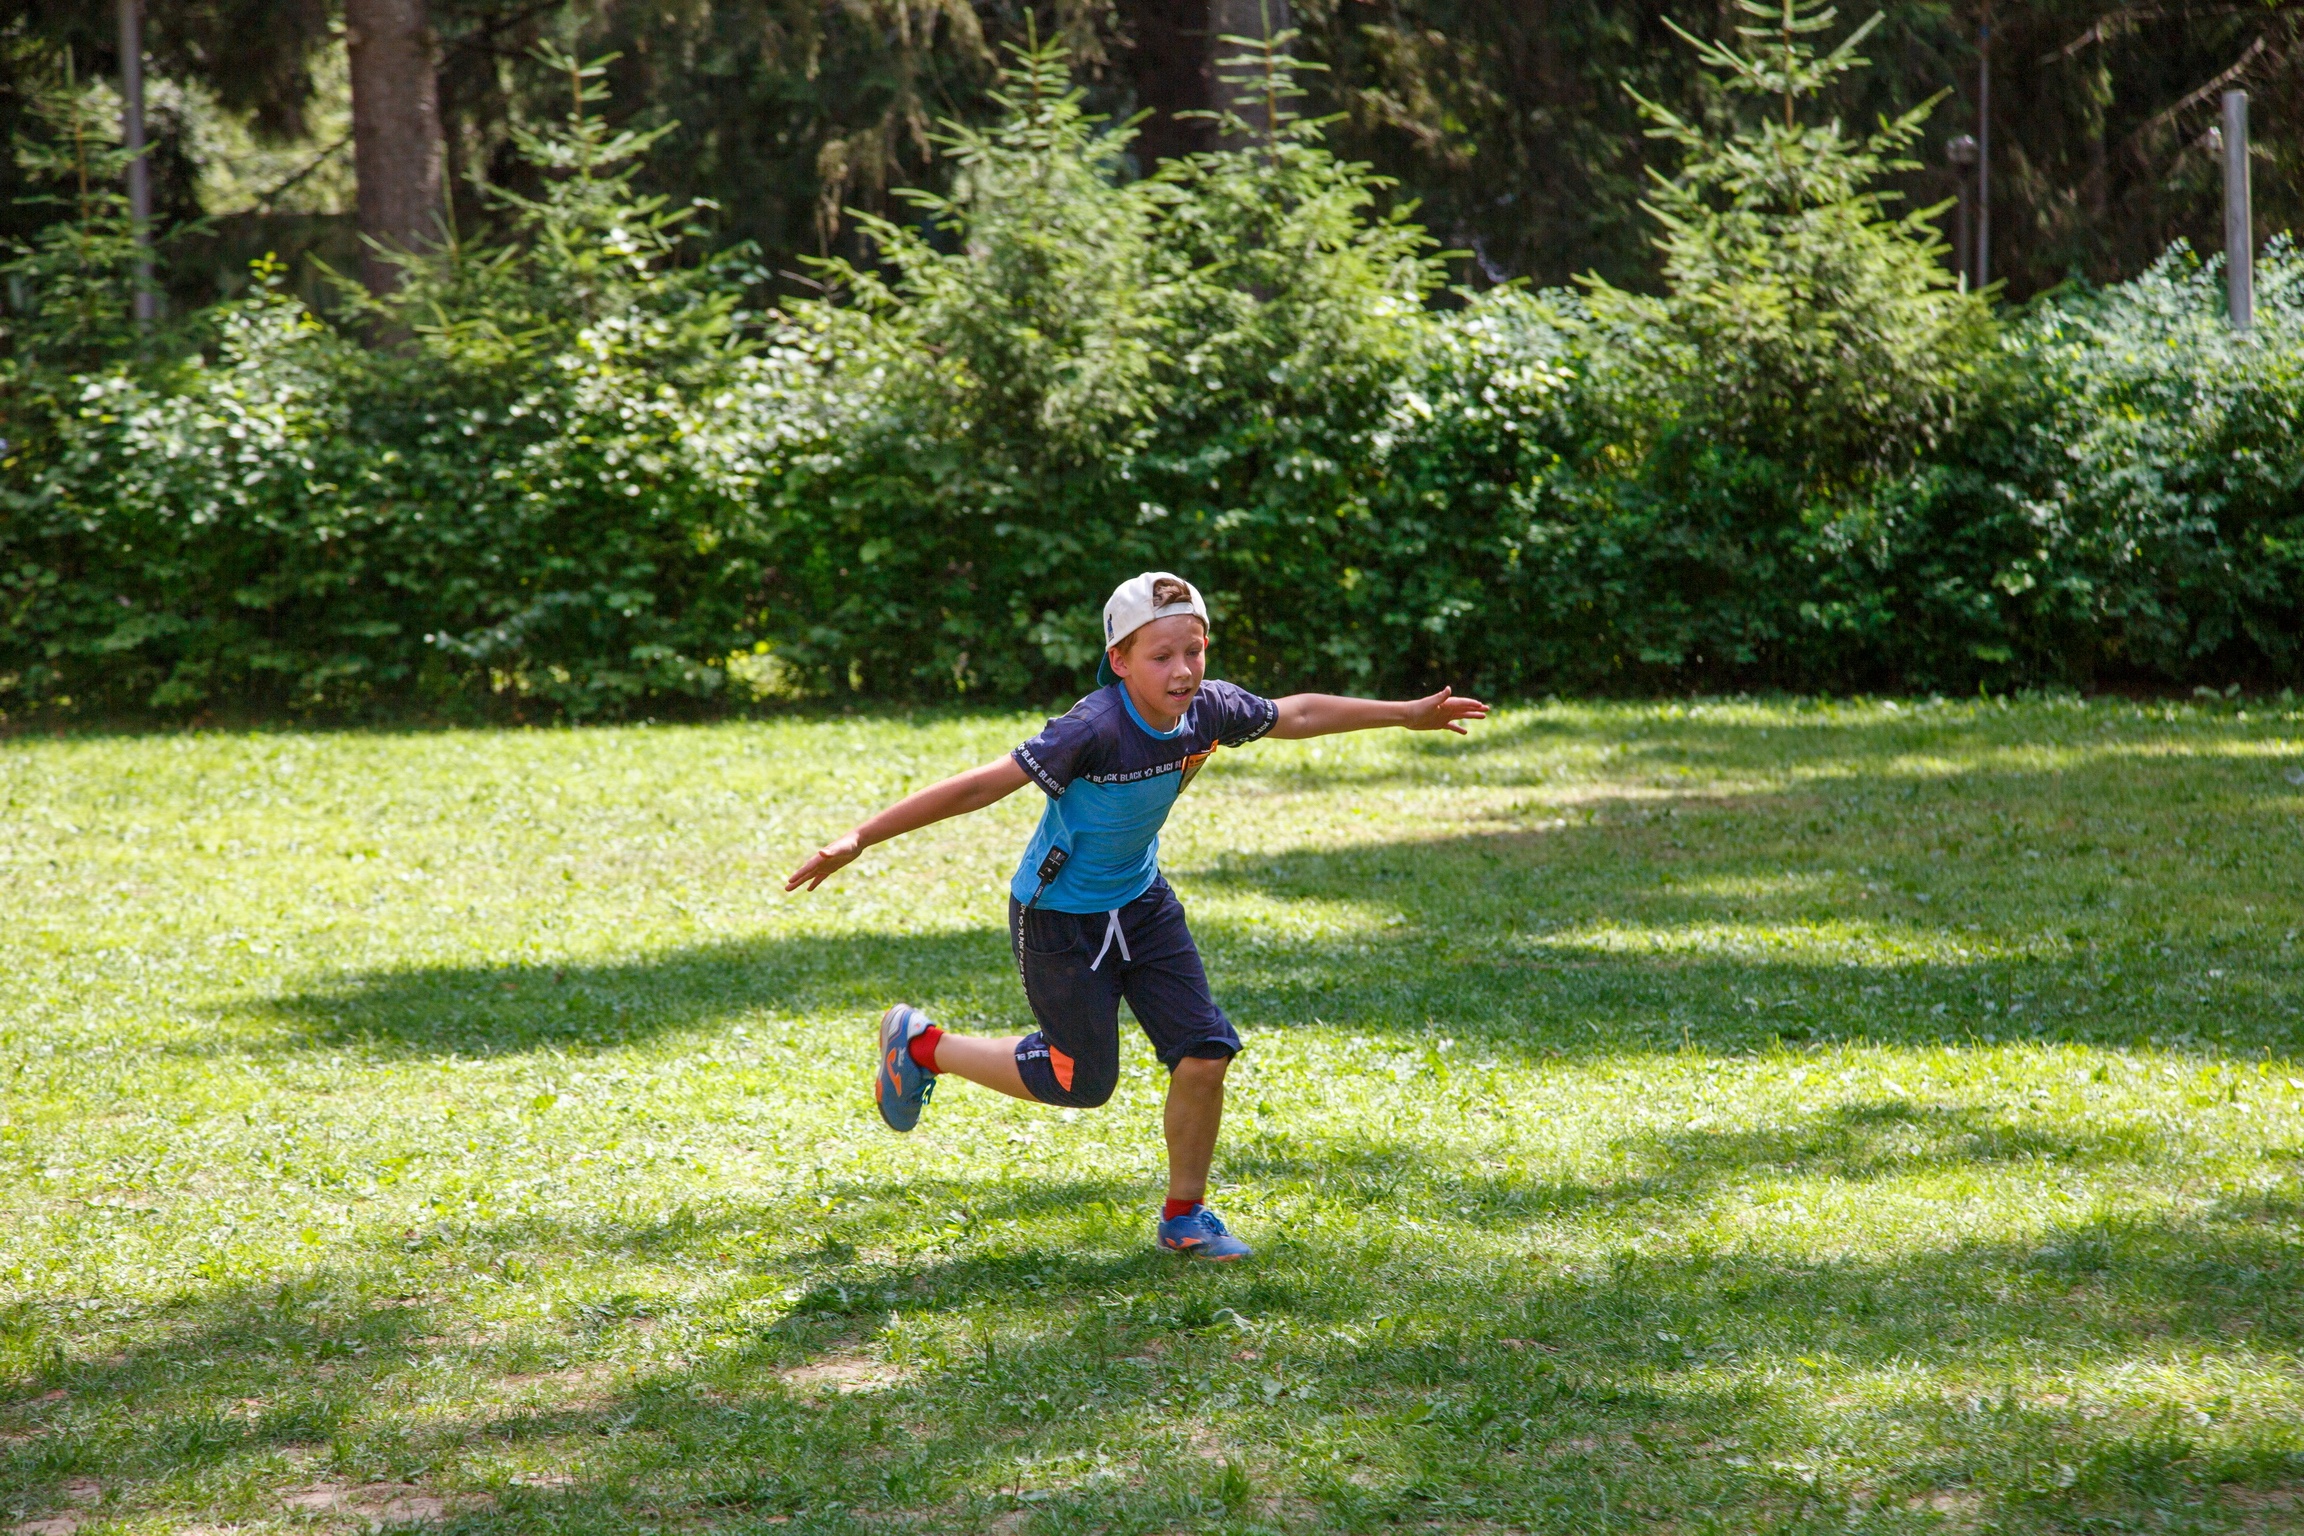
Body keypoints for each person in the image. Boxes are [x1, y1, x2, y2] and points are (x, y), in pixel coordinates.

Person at [785, 572, 1487, 1259]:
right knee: (1079, 1082)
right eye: (1161, 657)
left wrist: (1405, 713)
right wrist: (860, 837)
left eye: (1195, 651)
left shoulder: (1209, 710)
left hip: (1143, 904)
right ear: (1119, 661)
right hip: (1059, 917)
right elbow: (979, 787)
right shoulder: (1091, 727)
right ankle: (921, 1044)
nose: (1183, 670)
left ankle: (1186, 1216)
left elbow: (1294, 712)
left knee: (1206, 1052)